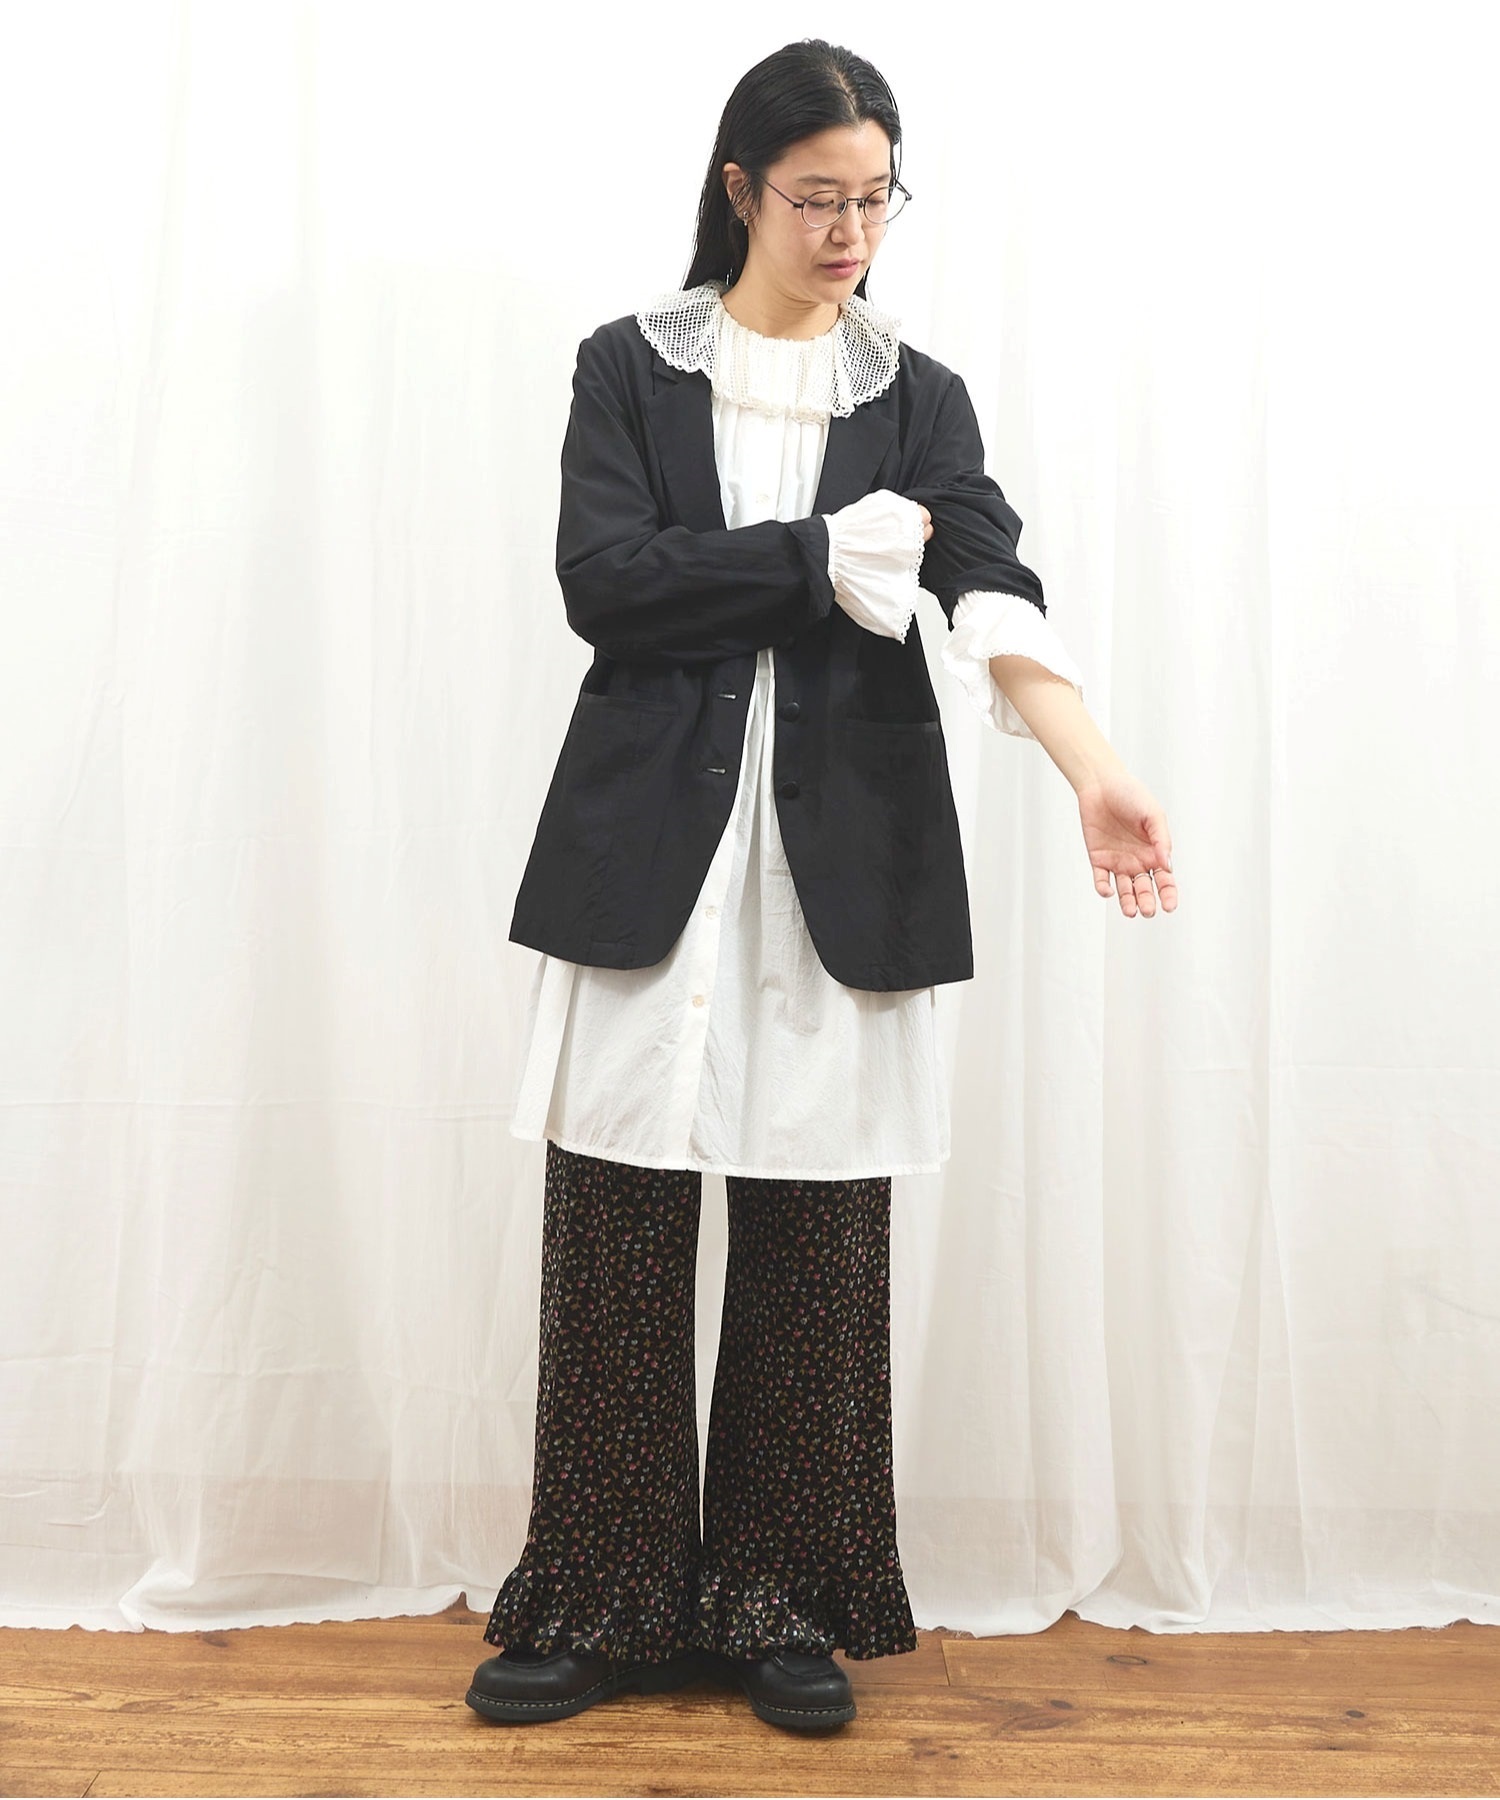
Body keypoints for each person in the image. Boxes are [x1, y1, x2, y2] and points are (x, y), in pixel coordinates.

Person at [465, 37, 1177, 1736]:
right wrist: (818, 559)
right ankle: (606, 1600)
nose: (851, 230)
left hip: (845, 861)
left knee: (818, 1248)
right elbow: (606, 584)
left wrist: (1093, 767)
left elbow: (991, 589)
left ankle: (779, 1599)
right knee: (616, 1234)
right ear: (741, 190)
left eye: (875, 198)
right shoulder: (629, 368)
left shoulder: (918, 398)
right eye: (816, 198)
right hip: (652, 854)